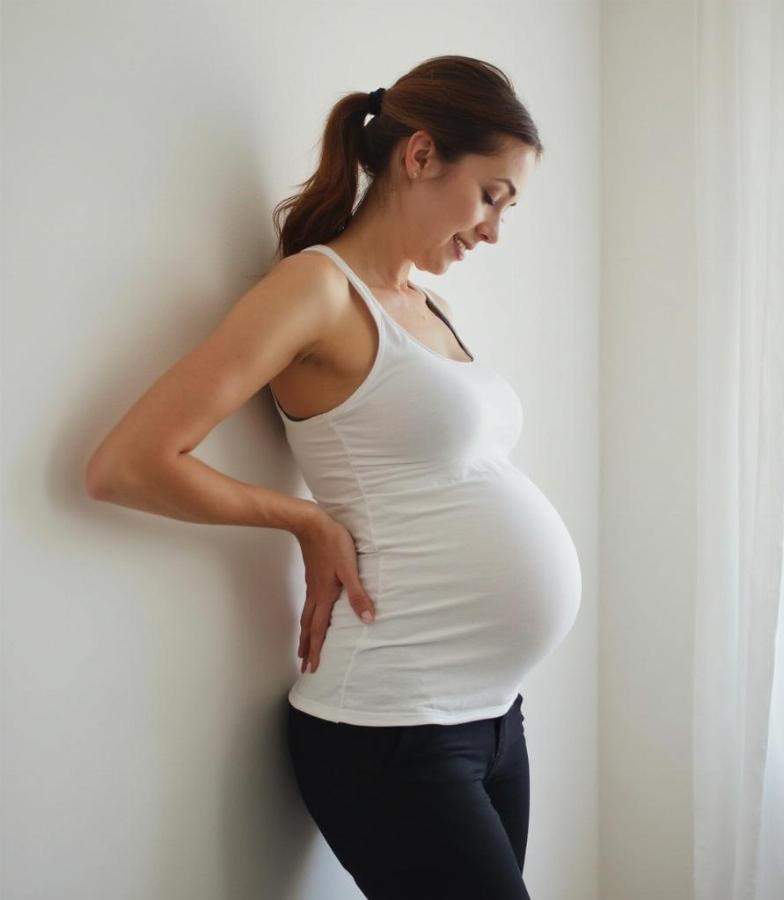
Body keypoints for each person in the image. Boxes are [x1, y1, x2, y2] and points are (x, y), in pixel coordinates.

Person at [85, 54, 581, 900]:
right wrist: (304, 520)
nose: (495, 229)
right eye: (491, 195)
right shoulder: (315, 290)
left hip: (494, 716)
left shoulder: (430, 306)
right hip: (390, 725)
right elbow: (127, 464)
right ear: (420, 156)